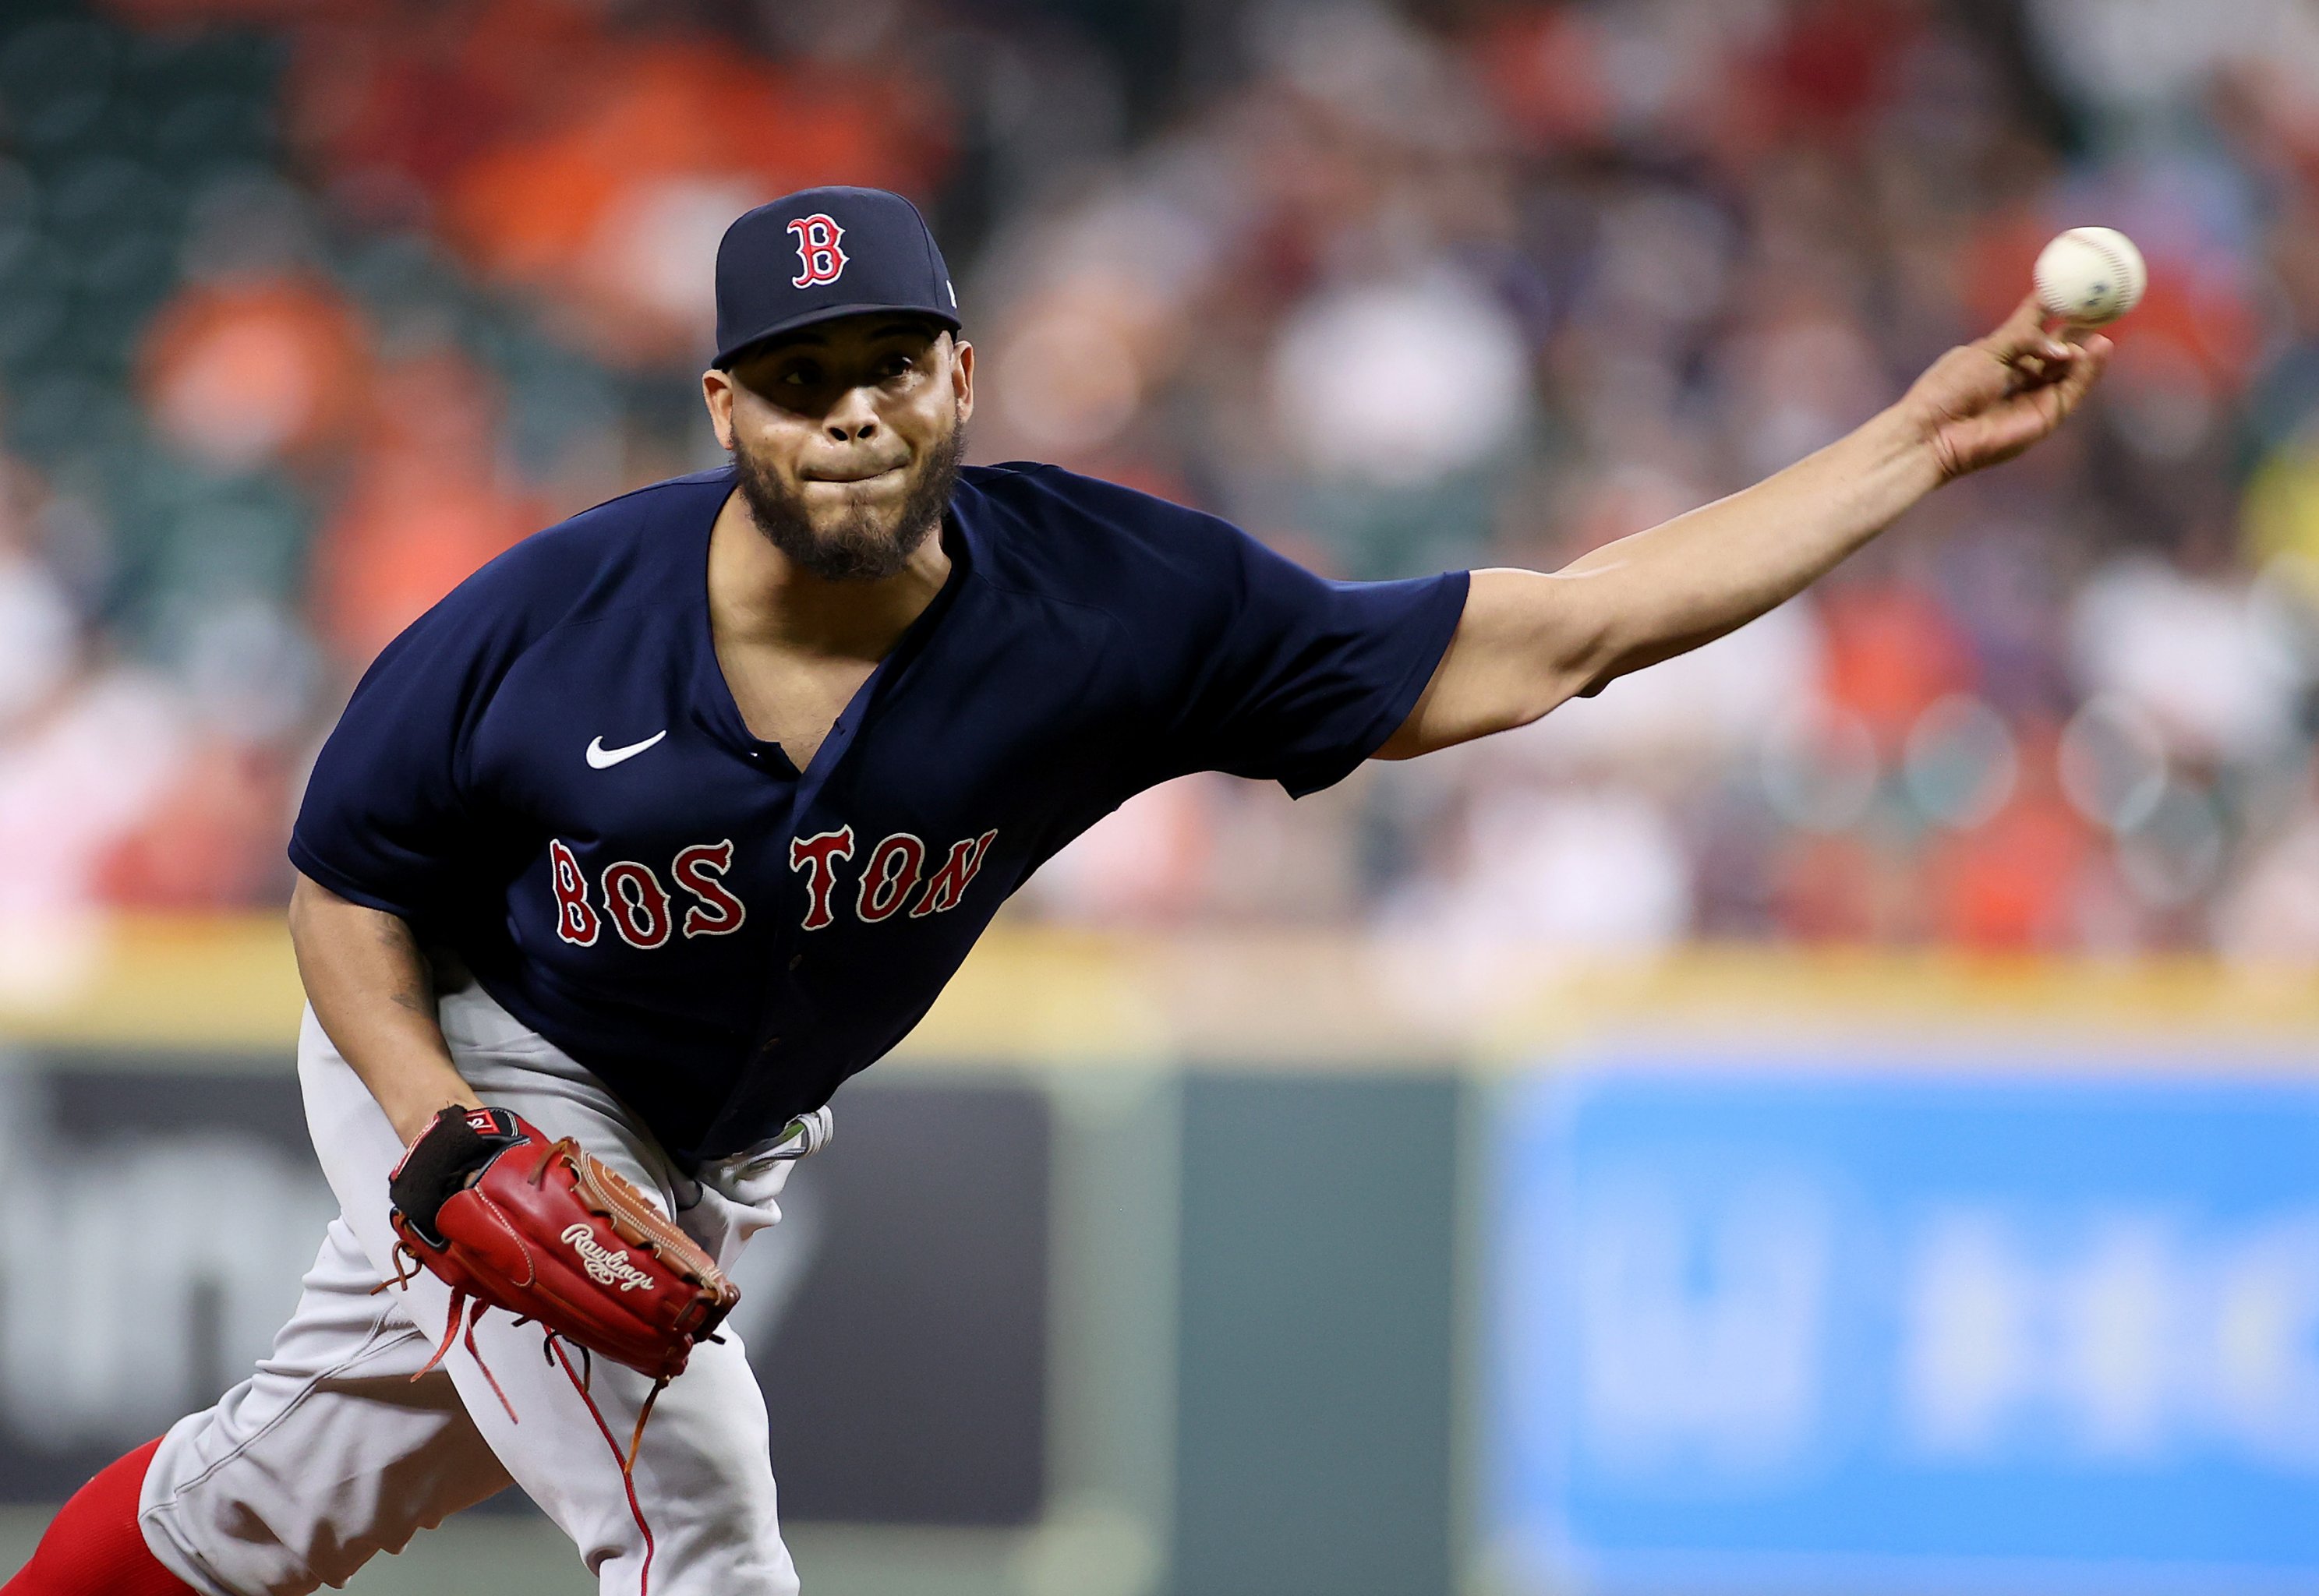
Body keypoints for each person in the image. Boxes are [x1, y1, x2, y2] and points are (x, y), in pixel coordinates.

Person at [5, 185, 2107, 1596]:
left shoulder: (1116, 604)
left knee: (258, 1509)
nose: (852, 417)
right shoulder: (540, 622)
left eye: (889, 365)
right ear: (724, 404)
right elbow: (341, 890)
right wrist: (444, 1137)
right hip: (484, 1056)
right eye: (803, 379)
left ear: (961, 376)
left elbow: (1551, 637)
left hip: (711, 1135)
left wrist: (1912, 446)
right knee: (699, 1508)